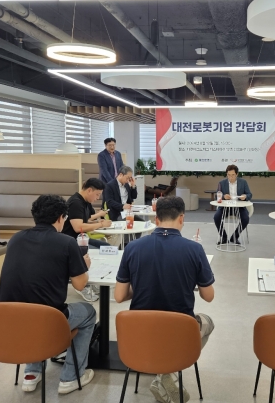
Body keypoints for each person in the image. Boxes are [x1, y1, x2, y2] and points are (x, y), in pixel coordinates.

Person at [115, 196, 215, 403]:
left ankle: (163, 373)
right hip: (178, 330)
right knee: (208, 322)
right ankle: (169, 371)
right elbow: (208, 296)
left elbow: (119, 296)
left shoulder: (132, 248)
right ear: (182, 218)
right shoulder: (194, 249)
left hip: (140, 331)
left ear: (156, 219)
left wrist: (141, 286)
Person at [0, 194, 96, 395]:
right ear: (60, 217)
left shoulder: (16, 239)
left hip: (6, 321)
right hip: (45, 323)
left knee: (31, 305)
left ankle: (31, 373)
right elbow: (79, 284)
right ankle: (71, 377)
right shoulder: (66, 242)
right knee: (89, 312)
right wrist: (83, 266)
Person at [62, 177, 112, 301]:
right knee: (96, 252)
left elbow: (87, 220)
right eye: (97, 194)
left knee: (106, 248)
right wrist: (100, 225)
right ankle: (83, 284)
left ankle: (92, 280)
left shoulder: (85, 202)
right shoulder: (75, 202)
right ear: (89, 190)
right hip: (71, 242)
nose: (98, 198)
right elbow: (78, 227)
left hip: (81, 239)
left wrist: (100, 222)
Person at [213, 164, 253, 245]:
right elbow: (217, 196)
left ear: (237, 174)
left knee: (245, 219)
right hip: (225, 207)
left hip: (239, 207)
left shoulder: (243, 182)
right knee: (216, 217)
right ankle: (224, 237)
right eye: (228, 175)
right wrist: (223, 196)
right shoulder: (222, 183)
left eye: (233, 175)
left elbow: (249, 195)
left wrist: (245, 196)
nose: (230, 177)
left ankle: (234, 237)